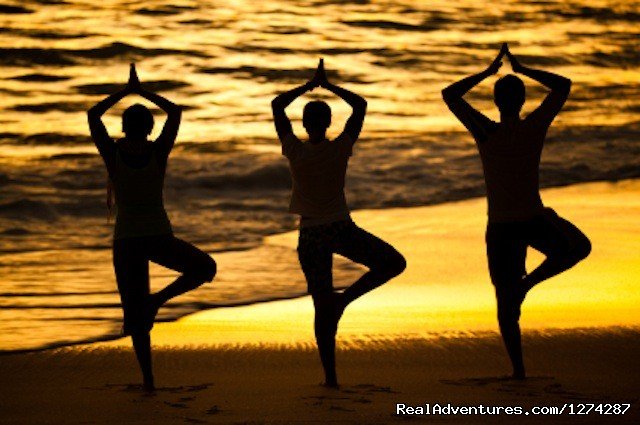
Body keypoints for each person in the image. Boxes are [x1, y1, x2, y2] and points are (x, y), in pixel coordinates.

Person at [442, 43, 591, 379]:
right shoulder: (532, 127)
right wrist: (523, 69)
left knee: (505, 304)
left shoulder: (486, 132)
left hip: (503, 227)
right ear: (522, 101)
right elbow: (562, 86)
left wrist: (485, 73)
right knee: (579, 248)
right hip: (532, 219)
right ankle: (529, 284)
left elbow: (450, 95)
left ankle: (518, 371)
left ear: (496, 102)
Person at [271, 59, 406, 388]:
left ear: (304, 125)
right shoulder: (341, 147)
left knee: (321, 305)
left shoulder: (293, 150)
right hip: (340, 228)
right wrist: (328, 85)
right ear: (329, 123)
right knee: (392, 263)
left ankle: (330, 376)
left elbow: (276, 105)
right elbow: (360, 105)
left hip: (311, 235)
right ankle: (343, 301)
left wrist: (307, 86)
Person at [88, 64, 216, 391]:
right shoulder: (158, 152)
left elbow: (93, 115)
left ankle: (148, 381)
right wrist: (141, 91)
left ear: (124, 127)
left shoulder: (113, 154)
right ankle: (158, 300)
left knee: (136, 315)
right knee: (204, 267)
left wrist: (125, 91)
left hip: (128, 240)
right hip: (158, 235)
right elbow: (174, 113)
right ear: (149, 128)